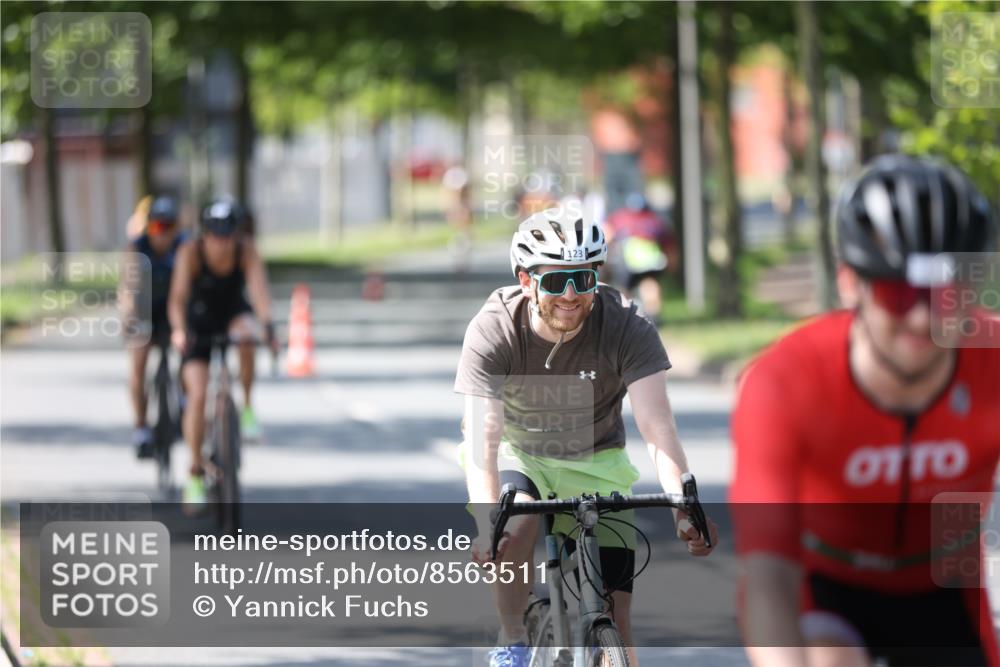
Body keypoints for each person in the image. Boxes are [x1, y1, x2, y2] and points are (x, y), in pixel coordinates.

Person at [730, 155, 1000, 666]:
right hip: (824, 588)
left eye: (948, 295)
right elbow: (767, 572)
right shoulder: (785, 382)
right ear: (851, 283)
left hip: (941, 589)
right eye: (900, 295)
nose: (924, 319)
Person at [456, 205, 718, 667]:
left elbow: (657, 427)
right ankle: (513, 637)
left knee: (618, 616)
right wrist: (485, 522)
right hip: (524, 453)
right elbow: (485, 437)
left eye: (584, 278)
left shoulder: (626, 326)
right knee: (512, 524)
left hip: (599, 458)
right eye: (556, 281)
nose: (572, 295)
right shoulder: (494, 328)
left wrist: (683, 506)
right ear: (526, 280)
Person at [168, 198, 276, 510]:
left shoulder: (246, 251)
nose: (222, 243)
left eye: (228, 235)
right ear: (205, 234)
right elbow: (177, 299)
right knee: (198, 394)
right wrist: (177, 330)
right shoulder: (190, 252)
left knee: (246, 336)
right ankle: (195, 473)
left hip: (231, 312)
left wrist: (267, 326)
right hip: (197, 320)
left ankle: (247, 408)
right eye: (215, 235)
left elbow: (259, 293)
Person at [122, 195, 187, 458]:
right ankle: (141, 426)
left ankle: (184, 400)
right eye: (157, 227)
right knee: (138, 362)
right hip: (145, 311)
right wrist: (128, 316)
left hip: (174, 311)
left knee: (188, 351)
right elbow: (127, 288)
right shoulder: (136, 248)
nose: (163, 233)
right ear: (148, 227)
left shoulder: (185, 247)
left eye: (168, 227)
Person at [604, 193, 677, 325]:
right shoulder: (655, 221)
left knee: (623, 290)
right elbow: (670, 247)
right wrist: (672, 265)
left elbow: (606, 237)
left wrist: (605, 261)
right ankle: (654, 318)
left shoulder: (620, 218)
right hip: (651, 262)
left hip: (628, 263)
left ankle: (622, 318)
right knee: (650, 285)